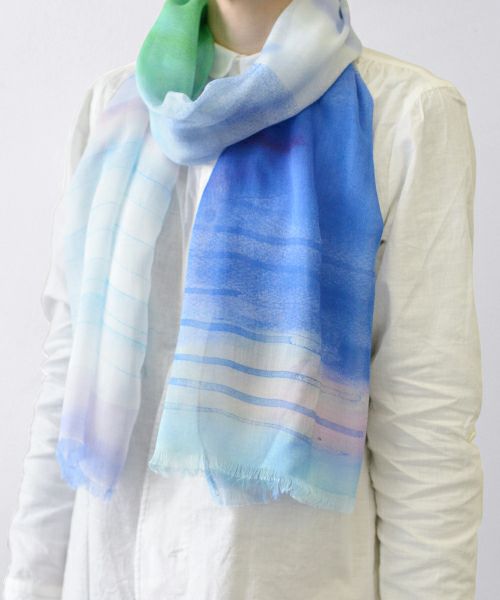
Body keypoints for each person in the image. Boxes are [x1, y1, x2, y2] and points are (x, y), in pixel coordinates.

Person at [3, 0, 483, 599]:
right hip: (106, 575)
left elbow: (426, 430)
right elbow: (64, 381)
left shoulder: (406, 116)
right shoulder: (113, 110)